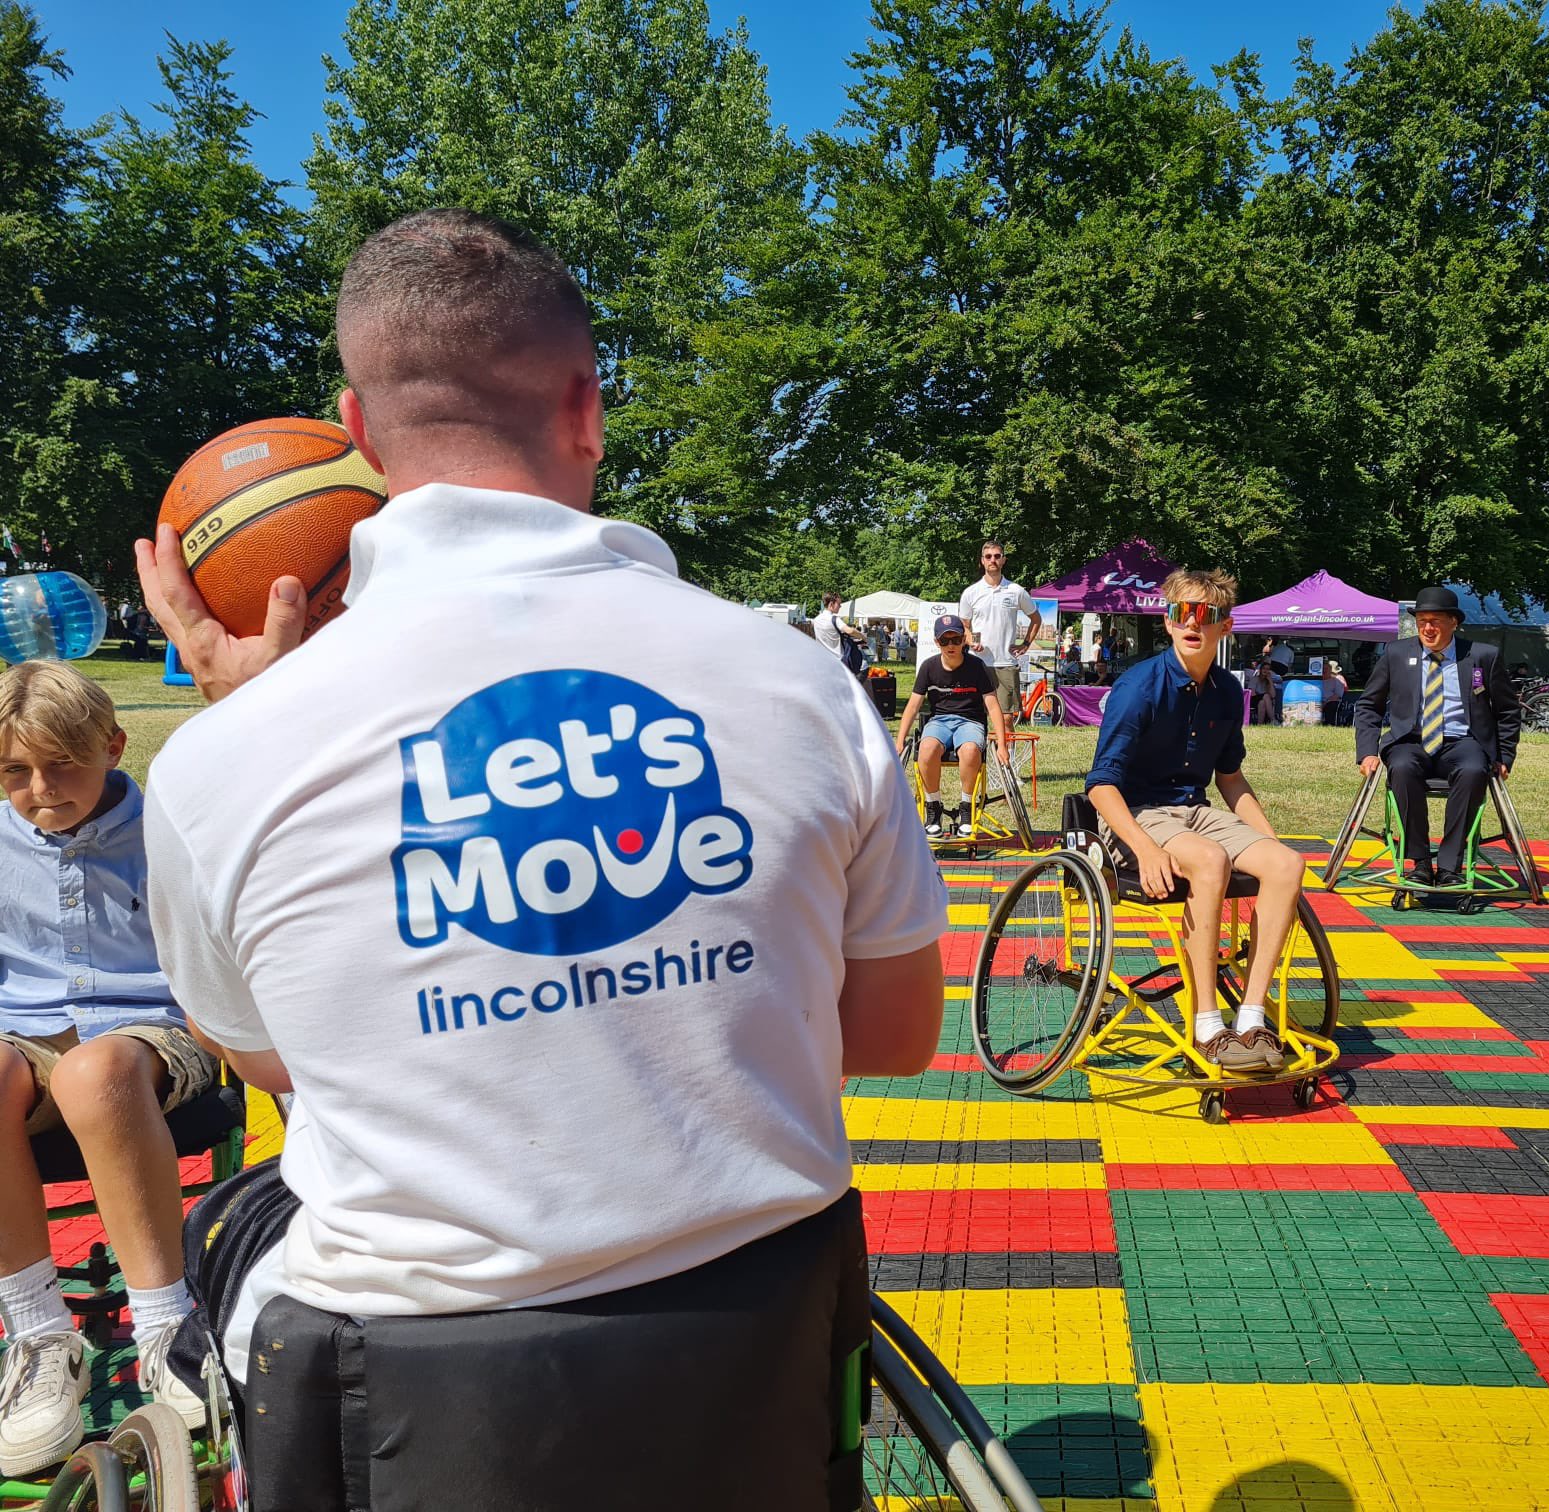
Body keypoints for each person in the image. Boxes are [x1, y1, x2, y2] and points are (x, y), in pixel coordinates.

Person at [132, 208, 948, 1509]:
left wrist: (261, 724)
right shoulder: (800, 684)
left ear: (356, 428)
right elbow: (899, 1033)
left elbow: (292, 1061)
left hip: (417, 1404)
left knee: (236, 1226)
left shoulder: (222, 769)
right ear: (589, 409)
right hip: (767, 1354)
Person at [0, 661, 209, 1474]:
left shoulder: (169, 836)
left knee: (95, 1073)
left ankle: (164, 1325)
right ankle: (40, 1335)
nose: (42, 789)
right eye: (15, 771)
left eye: (64, 765)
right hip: (26, 1035)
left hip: (147, 1035)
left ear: (114, 747)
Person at [1084, 569, 1308, 1075]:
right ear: (1167, 621)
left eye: (1205, 615)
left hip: (1194, 808)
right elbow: (1101, 785)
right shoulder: (1139, 687)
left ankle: (1251, 1017)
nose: (1193, 622)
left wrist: (1267, 842)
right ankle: (1207, 1022)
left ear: (1224, 627)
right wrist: (1144, 849)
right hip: (1135, 813)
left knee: (1288, 864)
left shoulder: (1229, 690)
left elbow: (1230, 778)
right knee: (1210, 861)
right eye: (1182, 612)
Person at [1353, 585, 1521, 887]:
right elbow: (1368, 704)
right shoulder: (1396, 653)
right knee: (1402, 768)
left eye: (1435, 621)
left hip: (1463, 742)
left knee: (1473, 770)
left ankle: (1450, 866)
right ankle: (1418, 861)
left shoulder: (1483, 656)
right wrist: (1367, 750)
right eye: (1422, 621)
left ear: (1454, 622)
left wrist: (1504, 756)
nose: (1427, 628)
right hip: (1410, 740)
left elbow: (1508, 710)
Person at [895, 615, 1009, 839]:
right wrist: (899, 741)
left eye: (955, 640)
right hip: (940, 721)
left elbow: (993, 706)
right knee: (926, 749)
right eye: (944, 641)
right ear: (937, 642)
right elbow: (913, 706)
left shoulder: (977, 666)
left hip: (970, 721)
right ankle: (933, 807)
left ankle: (966, 806)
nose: (951, 646)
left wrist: (1002, 744)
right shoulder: (929, 667)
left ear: (963, 640)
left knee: (969, 750)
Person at [958, 542, 1040, 729]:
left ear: (1003, 560)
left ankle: (1005, 758)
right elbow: (964, 625)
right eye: (988, 556)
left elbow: (1036, 619)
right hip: (977, 663)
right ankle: (980, 757)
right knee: (976, 719)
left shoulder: (1016, 591)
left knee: (1006, 720)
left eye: (997, 556)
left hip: (1006, 663)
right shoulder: (971, 592)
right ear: (982, 561)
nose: (992, 560)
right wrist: (971, 642)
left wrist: (1025, 643)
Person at [812, 591, 868, 670]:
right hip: (838, 660)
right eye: (838, 604)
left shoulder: (816, 620)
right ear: (831, 604)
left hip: (822, 660)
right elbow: (850, 631)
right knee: (864, 667)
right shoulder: (834, 619)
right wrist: (863, 636)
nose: (840, 606)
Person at [1320, 660, 1352, 727]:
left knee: (1331, 705)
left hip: (1331, 701)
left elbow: (1337, 695)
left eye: (1326, 669)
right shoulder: (1317, 681)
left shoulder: (1337, 681)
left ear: (1330, 670)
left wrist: (1325, 703)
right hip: (1319, 701)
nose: (1324, 670)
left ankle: (1330, 725)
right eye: (1322, 669)